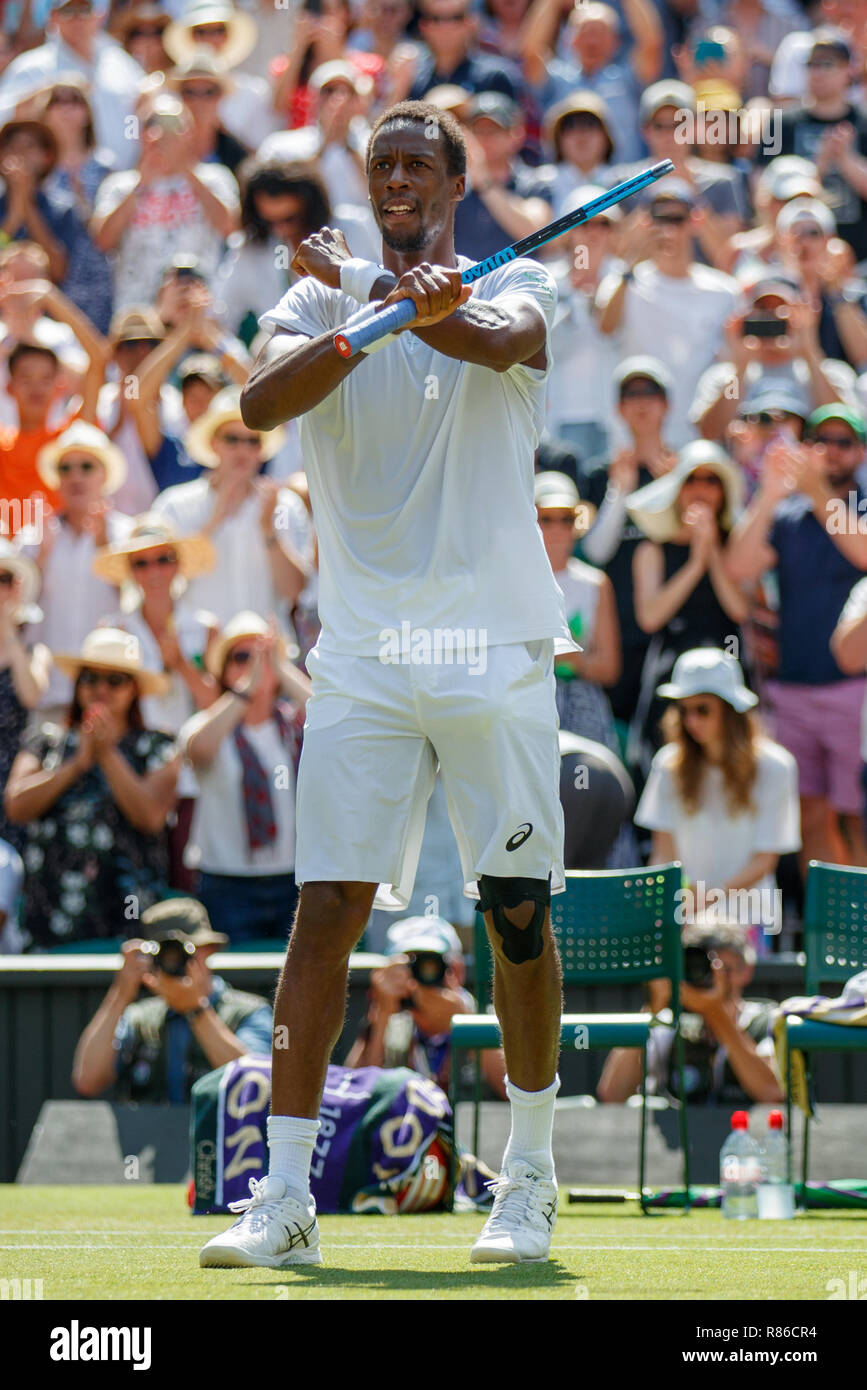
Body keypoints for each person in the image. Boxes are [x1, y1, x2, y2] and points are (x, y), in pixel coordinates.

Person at [199, 97, 570, 1271]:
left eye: (418, 161)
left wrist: (428, 310)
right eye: (381, 165)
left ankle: (532, 1177)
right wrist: (373, 311)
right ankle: (285, 1196)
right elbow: (261, 405)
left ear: (453, 183)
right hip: (361, 657)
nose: (398, 176)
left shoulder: (523, 288)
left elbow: (499, 344)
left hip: (496, 648)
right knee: (326, 911)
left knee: (514, 911)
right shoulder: (319, 298)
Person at [726, 407, 867, 872]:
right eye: (820, 439)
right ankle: (829, 933)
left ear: (861, 452)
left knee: (857, 817)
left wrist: (815, 491)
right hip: (794, 690)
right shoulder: (787, 515)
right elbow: (740, 568)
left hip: (855, 691)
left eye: (844, 441)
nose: (831, 449)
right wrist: (767, 495)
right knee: (811, 816)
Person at [4, 626, 179, 948]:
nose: (101, 689)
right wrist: (77, 764)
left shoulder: (158, 745)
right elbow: (16, 805)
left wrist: (106, 754)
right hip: (50, 922)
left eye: (115, 680)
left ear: (134, 690)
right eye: (90, 678)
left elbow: (151, 816)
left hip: (130, 927)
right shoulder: (46, 741)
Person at [634, 647, 801, 955]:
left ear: (730, 710)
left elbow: (765, 861)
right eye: (684, 711)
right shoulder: (667, 764)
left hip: (749, 922)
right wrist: (678, 901)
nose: (692, 720)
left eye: (703, 709)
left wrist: (707, 899)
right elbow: (662, 853)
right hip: (684, 922)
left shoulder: (777, 766)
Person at [93, 514, 219, 888]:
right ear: (131, 572)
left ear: (178, 564)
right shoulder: (113, 630)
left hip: (194, 775)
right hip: (134, 773)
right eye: (142, 562)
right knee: (135, 878)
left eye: (163, 558)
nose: (154, 570)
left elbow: (221, 707)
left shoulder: (206, 626)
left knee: (186, 880)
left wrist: (181, 664)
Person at [179, 611, 311, 941]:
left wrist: (280, 667)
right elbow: (198, 749)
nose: (253, 666)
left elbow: (334, 717)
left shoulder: (296, 725)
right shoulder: (209, 723)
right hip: (227, 885)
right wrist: (245, 690)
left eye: (261, 656)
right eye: (241, 657)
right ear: (223, 670)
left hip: (293, 881)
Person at [71, 896, 274, 1101]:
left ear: (209, 949)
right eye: (167, 954)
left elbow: (256, 1087)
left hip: (218, 1132)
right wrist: (120, 994)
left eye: (186, 951)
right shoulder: (139, 1017)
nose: (176, 960)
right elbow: (88, 1080)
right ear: (152, 959)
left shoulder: (248, 1012)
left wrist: (197, 1010)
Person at [626, 440, 749, 777]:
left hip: (728, 667)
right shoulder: (652, 550)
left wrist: (710, 553)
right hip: (671, 673)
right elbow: (650, 617)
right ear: (678, 490)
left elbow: (739, 610)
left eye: (712, 481)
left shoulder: (736, 544)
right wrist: (695, 563)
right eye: (692, 480)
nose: (701, 490)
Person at [151, 386, 312, 632]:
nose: (242, 450)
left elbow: (294, 593)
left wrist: (269, 531)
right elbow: (162, 581)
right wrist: (213, 522)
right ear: (214, 443)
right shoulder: (174, 504)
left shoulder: (284, 505)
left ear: (261, 450)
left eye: (252, 441)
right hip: (198, 654)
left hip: (265, 654)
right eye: (232, 439)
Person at [595, 182, 739, 447]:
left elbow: (733, 364)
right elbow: (605, 326)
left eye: (677, 218)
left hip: (697, 440)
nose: (668, 228)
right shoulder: (623, 281)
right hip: (633, 442)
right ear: (645, 223)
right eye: (659, 218)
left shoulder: (725, 291)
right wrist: (633, 260)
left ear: (694, 222)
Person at [582, 357, 678, 736]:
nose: (641, 403)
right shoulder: (599, 473)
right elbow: (597, 552)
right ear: (618, 409)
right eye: (631, 394)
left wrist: (673, 489)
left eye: (651, 393)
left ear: (667, 404)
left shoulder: (686, 471)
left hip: (667, 628)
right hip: (615, 630)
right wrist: (618, 492)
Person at [17, 420, 134, 719]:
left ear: (104, 475)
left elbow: (139, 607)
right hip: (47, 693)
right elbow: (15, 612)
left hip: (111, 696)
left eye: (86, 466)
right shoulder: (33, 537)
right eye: (66, 469)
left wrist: (106, 547)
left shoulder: (129, 535)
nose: (75, 477)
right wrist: (40, 561)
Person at [597, 925, 785, 1104]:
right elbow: (612, 1094)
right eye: (702, 968)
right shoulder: (667, 1023)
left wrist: (716, 1015)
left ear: (747, 970)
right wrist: (653, 1007)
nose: (715, 977)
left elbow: (772, 1093)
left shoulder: (764, 1020)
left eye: (725, 969)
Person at [91, 93, 239, 312]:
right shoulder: (119, 185)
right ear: (140, 133)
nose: (162, 131)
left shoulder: (215, 177)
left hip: (199, 310)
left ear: (189, 131)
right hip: (138, 317)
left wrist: (186, 169)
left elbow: (230, 227)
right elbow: (103, 240)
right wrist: (143, 181)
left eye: (172, 123)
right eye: (153, 122)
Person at [347, 914, 507, 1097]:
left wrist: (464, 1023)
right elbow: (354, 1096)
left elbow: (515, 1089)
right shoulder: (392, 1025)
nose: (420, 976)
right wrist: (380, 1015)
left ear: (456, 970)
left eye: (432, 963)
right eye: (410, 965)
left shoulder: (490, 1022)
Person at [0, 0, 145, 171]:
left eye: (84, 11)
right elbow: (4, 115)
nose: (77, 19)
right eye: (68, 12)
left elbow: (141, 110)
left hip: (120, 178)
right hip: (57, 184)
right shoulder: (32, 66)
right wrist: (46, 93)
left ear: (98, 15)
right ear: (53, 17)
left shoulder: (120, 61)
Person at [534, 469, 621, 752]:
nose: (558, 528)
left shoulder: (596, 583)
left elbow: (609, 668)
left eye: (567, 519)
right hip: (528, 701)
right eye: (547, 519)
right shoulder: (509, 582)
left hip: (581, 707)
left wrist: (572, 660)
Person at [0, 539, 49, 854]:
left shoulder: (34, 652)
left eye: (4, 580)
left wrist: (7, 631)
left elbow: (32, 695)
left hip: (12, 782)